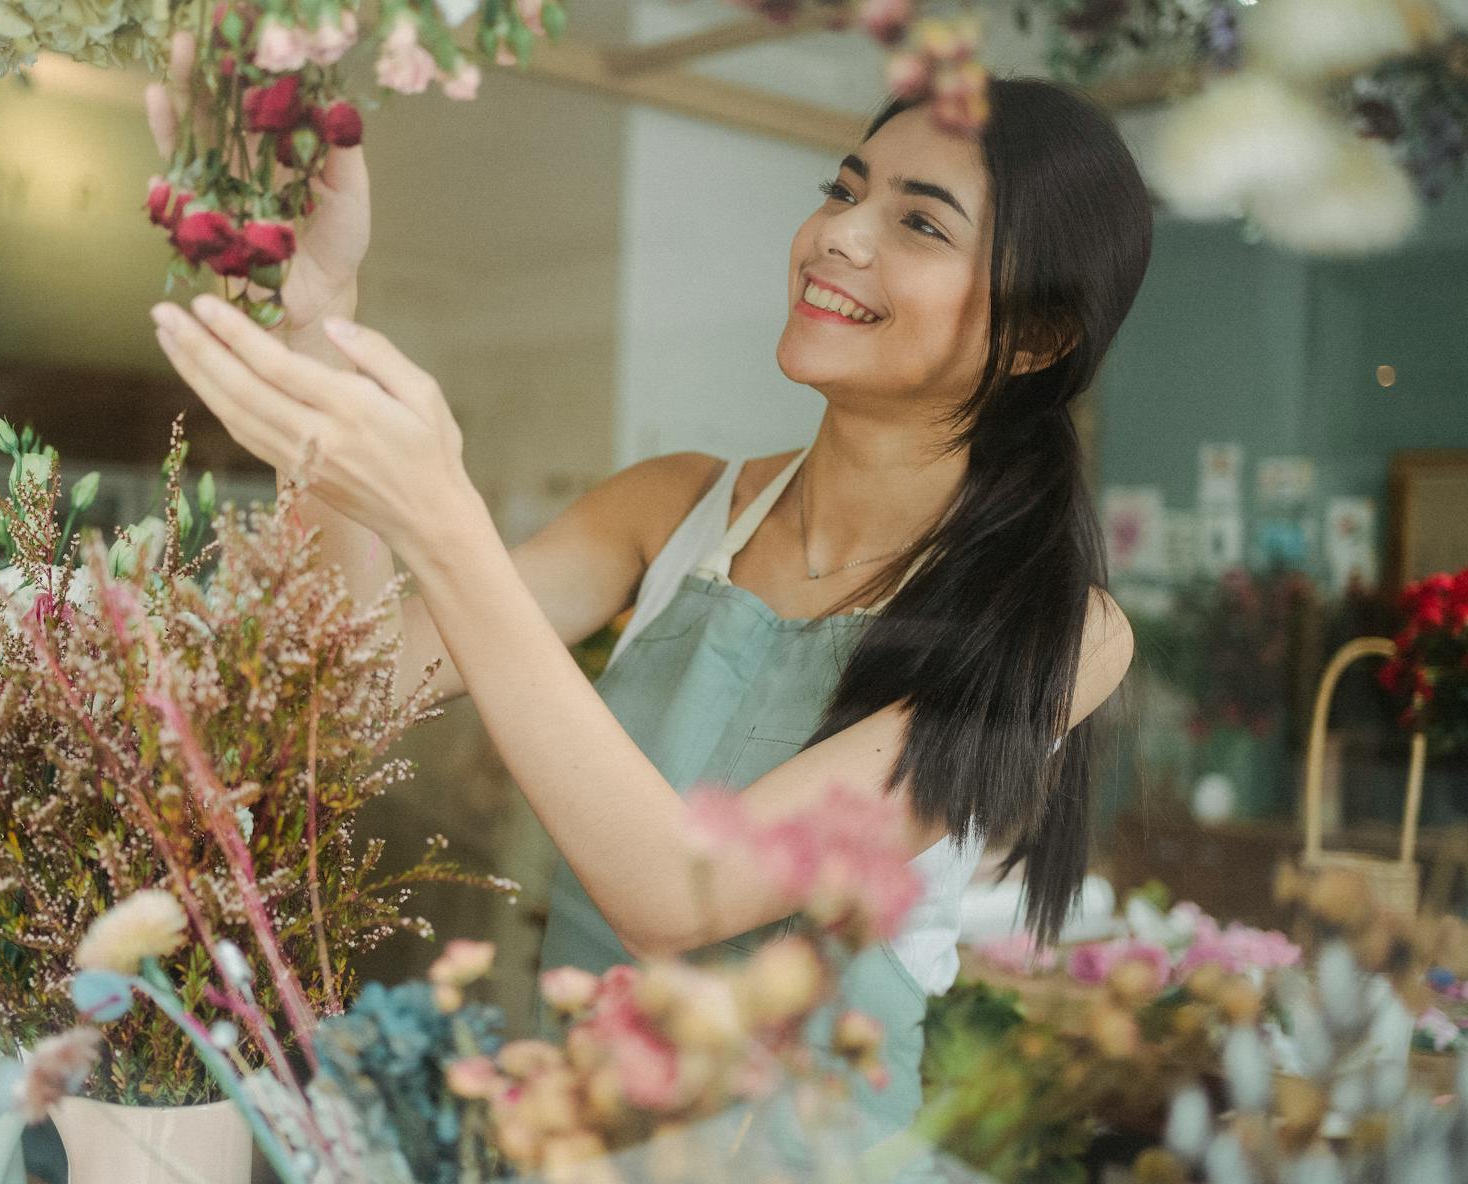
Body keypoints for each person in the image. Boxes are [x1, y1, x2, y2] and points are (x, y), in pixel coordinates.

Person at [147, 50, 1147, 1129]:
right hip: (576, 1157)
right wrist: (319, 319)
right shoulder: (674, 510)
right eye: (844, 190)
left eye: (920, 224)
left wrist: (441, 522)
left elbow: (680, 893)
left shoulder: (1060, 632)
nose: (838, 236)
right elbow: (340, 698)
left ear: (1036, 338)